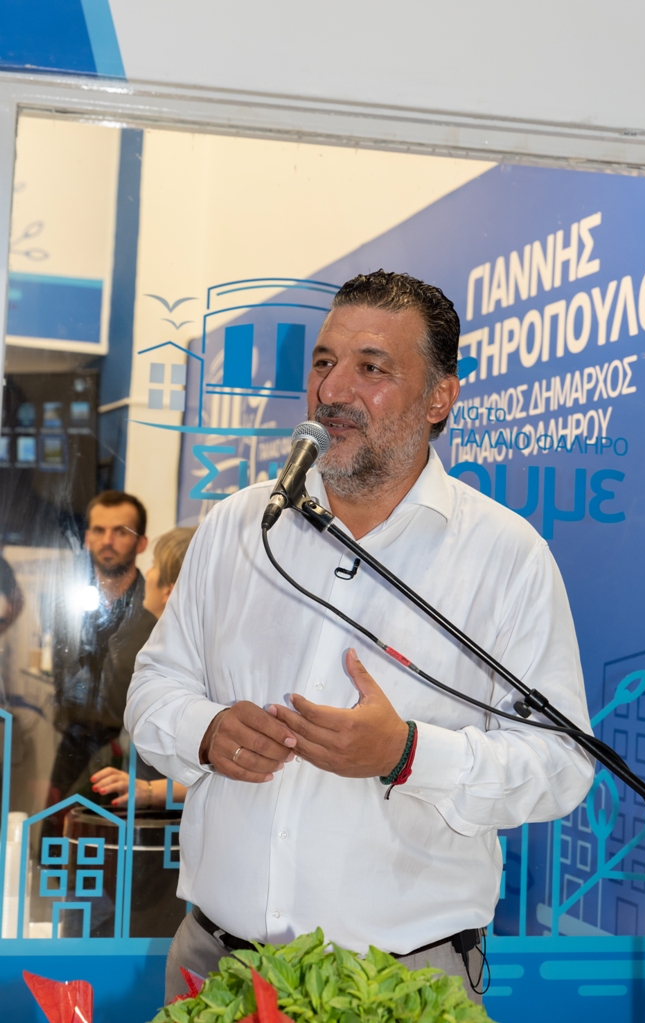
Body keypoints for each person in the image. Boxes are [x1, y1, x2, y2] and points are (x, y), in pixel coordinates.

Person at [126, 270, 594, 1005]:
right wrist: (207, 731)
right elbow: (154, 687)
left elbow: (560, 765)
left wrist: (408, 754)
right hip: (217, 966)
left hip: (402, 981)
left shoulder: (506, 556)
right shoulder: (238, 525)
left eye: (371, 367)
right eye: (324, 361)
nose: (333, 389)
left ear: (440, 397)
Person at [47, 490, 155, 820]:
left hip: (131, 757)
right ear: (86, 538)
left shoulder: (156, 613)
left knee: (113, 846)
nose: (107, 540)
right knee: (57, 842)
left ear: (141, 543)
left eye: (121, 531)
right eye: (99, 530)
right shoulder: (68, 609)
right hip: (71, 749)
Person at [90, 526, 196, 808]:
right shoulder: (157, 650)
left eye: (154, 566)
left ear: (169, 591)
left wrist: (150, 791)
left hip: (168, 824)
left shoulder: (193, 669)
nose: (148, 573)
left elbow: (219, 770)